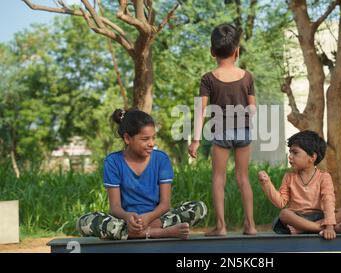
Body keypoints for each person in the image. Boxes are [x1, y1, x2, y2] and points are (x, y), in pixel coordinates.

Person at [76, 108, 207, 240]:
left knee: (199, 208)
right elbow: (115, 208)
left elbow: (165, 204)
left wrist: (148, 218)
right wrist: (128, 217)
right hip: (126, 221)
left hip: (156, 218)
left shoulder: (161, 159)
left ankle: (128, 233)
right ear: (127, 138)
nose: (151, 143)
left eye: (153, 138)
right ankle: (158, 233)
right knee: (84, 222)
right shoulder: (113, 162)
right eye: (145, 139)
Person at [188, 23, 257, 236]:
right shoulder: (247, 77)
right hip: (244, 130)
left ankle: (221, 226)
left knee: (219, 178)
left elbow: (201, 111)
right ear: (237, 51)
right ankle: (251, 225)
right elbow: (253, 108)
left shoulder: (208, 78)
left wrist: (196, 140)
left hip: (221, 132)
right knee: (243, 177)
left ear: (212, 52)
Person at [257, 130, 341, 240]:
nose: (290, 156)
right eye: (290, 152)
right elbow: (280, 203)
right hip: (297, 218)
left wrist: (330, 226)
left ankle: (301, 229)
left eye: (295, 152)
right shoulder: (289, 177)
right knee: (284, 214)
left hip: (319, 216)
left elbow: (328, 200)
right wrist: (266, 183)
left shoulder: (324, 177)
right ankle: (318, 228)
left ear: (312, 157)